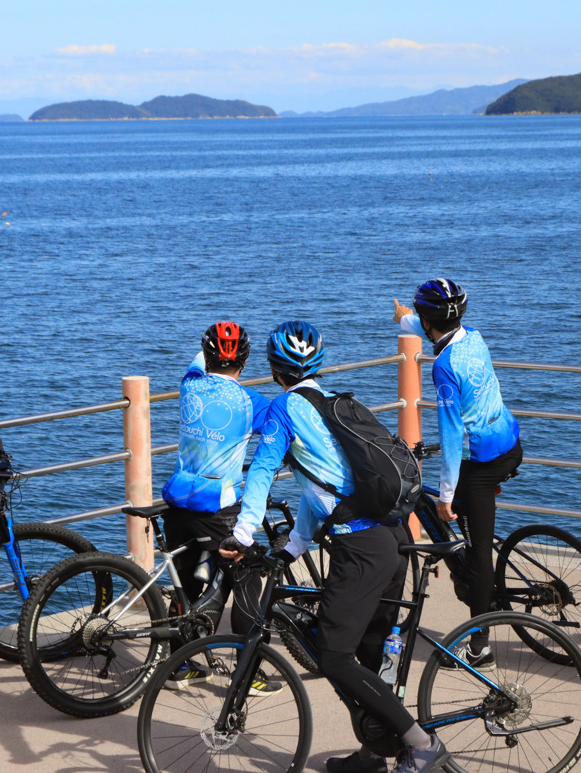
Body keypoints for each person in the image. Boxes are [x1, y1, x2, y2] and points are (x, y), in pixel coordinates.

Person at [222, 321, 450, 773]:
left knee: (333, 655)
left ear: (273, 369)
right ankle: (372, 755)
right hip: (391, 538)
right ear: (317, 363)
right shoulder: (332, 405)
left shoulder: (286, 409)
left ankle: (421, 744)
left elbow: (262, 473)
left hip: (361, 548)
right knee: (366, 655)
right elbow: (325, 490)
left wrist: (243, 534)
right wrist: (293, 547)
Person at [392, 278, 521, 666]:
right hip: (509, 442)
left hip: (483, 461)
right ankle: (477, 586)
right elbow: (435, 329)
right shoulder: (472, 338)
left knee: (478, 556)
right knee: (472, 536)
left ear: (430, 321)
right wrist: (405, 320)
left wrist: (447, 497)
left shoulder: (445, 368)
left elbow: (451, 438)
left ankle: (480, 647)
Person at [159, 322, 273, 691]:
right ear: (245, 359)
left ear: (206, 356)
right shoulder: (251, 404)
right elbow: (282, 429)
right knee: (248, 578)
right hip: (218, 508)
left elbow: (199, 362)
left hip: (177, 501)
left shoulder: (189, 385)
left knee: (186, 582)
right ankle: (248, 672)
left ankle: (176, 665)